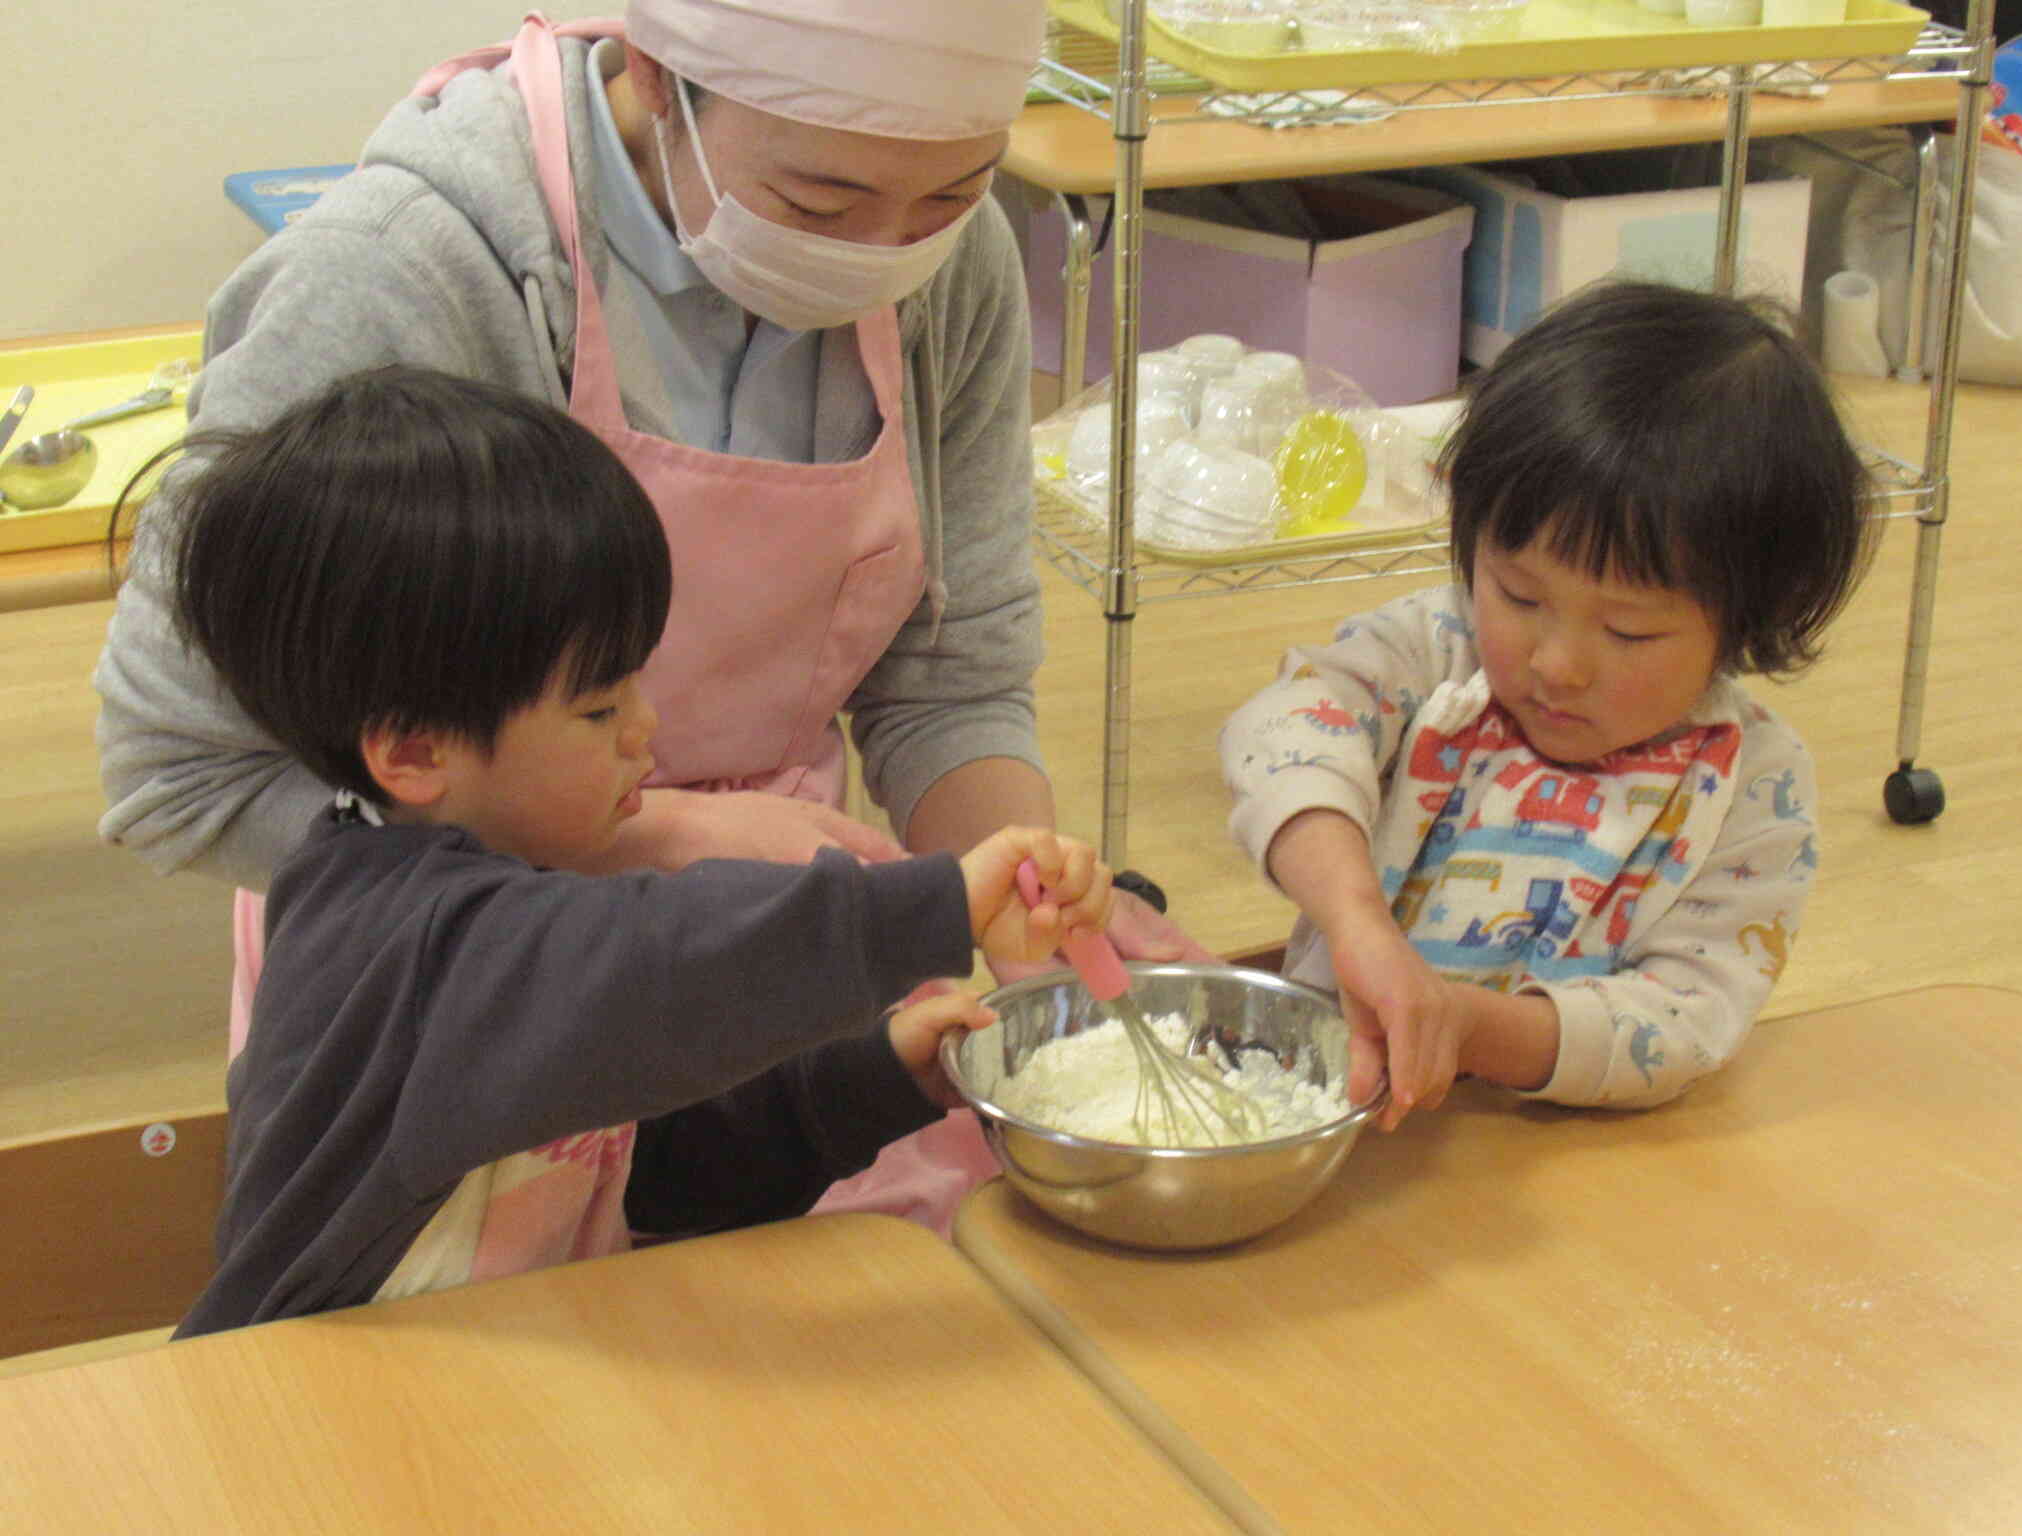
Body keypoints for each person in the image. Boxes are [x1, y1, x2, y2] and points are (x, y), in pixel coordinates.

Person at [92, 0, 1207, 1231]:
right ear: (658, 75)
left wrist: (1020, 906)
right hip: (457, 952)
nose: (885, 252)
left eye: (951, 195)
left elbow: (950, 671)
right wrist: (646, 847)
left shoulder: (951, 274)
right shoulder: (412, 267)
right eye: (821, 204)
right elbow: (177, 771)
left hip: (784, 932)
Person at [142, 366, 1112, 1337]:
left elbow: (654, 1178)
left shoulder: (512, 904)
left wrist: (869, 1081)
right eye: (599, 707)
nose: (645, 731)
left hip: (519, 1380)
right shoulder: (411, 945)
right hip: (315, 1406)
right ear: (413, 752)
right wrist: (931, 905)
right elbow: (660, 969)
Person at [1221, 281, 1873, 1132]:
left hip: (1563, 1164)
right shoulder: (1432, 653)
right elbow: (1283, 733)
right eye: (1519, 596)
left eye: (1629, 633)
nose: (1557, 666)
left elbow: (1678, 1024)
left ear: (1749, 618)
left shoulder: (1751, 786)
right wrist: (1354, 920)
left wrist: (1468, 1028)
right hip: (1336, 1119)